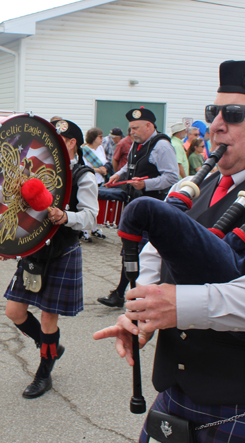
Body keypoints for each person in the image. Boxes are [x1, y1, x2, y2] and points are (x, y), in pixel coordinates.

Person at [94, 60, 245, 442]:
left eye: (235, 114)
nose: (216, 125)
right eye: (214, 112)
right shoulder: (205, 182)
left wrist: (184, 305)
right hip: (178, 394)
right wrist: (143, 309)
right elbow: (158, 252)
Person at [4, 119, 98, 399]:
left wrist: (66, 216)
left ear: (70, 143)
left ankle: (44, 371)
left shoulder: (84, 175)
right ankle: (51, 346)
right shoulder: (37, 168)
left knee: (48, 319)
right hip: (35, 250)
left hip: (62, 251)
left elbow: (91, 218)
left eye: (57, 138)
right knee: (14, 312)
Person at [98, 107, 178, 308]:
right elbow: (131, 165)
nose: (131, 131)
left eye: (135, 127)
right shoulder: (138, 143)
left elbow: (171, 177)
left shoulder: (162, 146)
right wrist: (120, 174)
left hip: (153, 208)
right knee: (131, 250)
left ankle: (136, 295)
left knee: (144, 253)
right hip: (136, 205)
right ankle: (123, 293)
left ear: (149, 126)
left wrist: (146, 184)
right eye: (130, 128)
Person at [81, 127, 109, 241]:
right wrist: (98, 170)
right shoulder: (84, 150)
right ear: (94, 137)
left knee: (96, 206)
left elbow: (105, 162)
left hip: (100, 181)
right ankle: (83, 230)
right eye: (100, 136)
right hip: (89, 181)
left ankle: (94, 228)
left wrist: (105, 169)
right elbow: (84, 167)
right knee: (87, 205)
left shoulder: (101, 148)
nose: (102, 138)